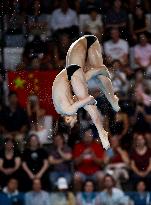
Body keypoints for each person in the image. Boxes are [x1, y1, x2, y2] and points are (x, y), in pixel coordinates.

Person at [52, 35, 120, 149]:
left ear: (67, 118)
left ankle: (102, 130)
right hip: (70, 68)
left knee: (90, 101)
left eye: (73, 120)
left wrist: (92, 100)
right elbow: (73, 95)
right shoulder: (59, 108)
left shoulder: (68, 110)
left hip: (80, 56)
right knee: (95, 80)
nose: (76, 118)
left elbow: (88, 99)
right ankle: (111, 100)